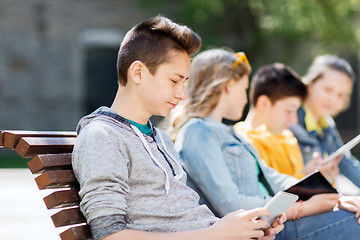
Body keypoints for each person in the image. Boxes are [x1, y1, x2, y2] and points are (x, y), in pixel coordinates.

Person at [72, 16, 284, 240]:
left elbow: (186, 219)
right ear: (138, 73)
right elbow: (109, 235)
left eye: (184, 83)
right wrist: (217, 234)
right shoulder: (103, 136)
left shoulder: (160, 138)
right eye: (174, 81)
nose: (182, 94)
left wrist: (244, 232)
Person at [171, 48, 360, 240]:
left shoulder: (231, 134)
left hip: (274, 223)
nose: (246, 98)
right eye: (244, 89)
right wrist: (301, 208)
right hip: (262, 228)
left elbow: (274, 178)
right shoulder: (197, 131)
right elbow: (229, 203)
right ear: (228, 86)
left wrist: (329, 196)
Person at [234, 63, 340, 184]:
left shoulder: (288, 139)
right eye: (289, 110)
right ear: (264, 103)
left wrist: (317, 179)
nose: (294, 120)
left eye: (296, 111)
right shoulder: (241, 143)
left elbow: (298, 190)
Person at [289, 55, 360, 189]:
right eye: (328, 90)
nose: (333, 99)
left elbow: (344, 162)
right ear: (310, 83)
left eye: (341, 95)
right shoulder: (290, 120)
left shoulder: (327, 123)